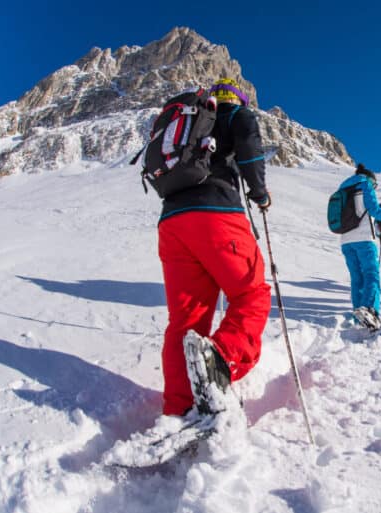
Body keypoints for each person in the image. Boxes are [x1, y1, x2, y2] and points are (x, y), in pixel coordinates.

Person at [157, 77, 271, 416]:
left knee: (186, 320)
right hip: (217, 214)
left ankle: (179, 408)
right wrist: (260, 193)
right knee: (252, 295)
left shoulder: (187, 120)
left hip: (172, 221)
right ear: (238, 98)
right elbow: (250, 151)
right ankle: (219, 366)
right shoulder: (236, 114)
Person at [337, 164, 381, 330]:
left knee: (357, 278)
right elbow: (373, 210)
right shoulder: (365, 184)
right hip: (364, 240)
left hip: (346, 241)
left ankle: (359, 316)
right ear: (371, 179)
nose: (374, 187)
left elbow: (356, 214)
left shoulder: (344, 187)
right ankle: (371, 311)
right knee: (371, 275)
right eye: (375, 184)